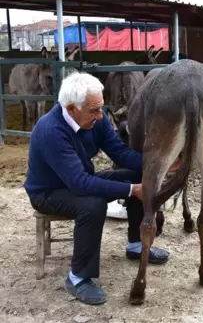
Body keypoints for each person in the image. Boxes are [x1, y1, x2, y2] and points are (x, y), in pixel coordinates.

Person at [24, 72, 173, 306]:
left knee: (135, 173)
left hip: (80, 178)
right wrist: (132, 190)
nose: (100, 116)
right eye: (94, 110)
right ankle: (78, 277)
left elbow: (120, 153)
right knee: (93, 205)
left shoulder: (96, 119)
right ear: (72, 108)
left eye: (101, 108)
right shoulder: (51, 130)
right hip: (48, 191)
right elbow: (80, 184)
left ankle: (135, 244)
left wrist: (157, 165)